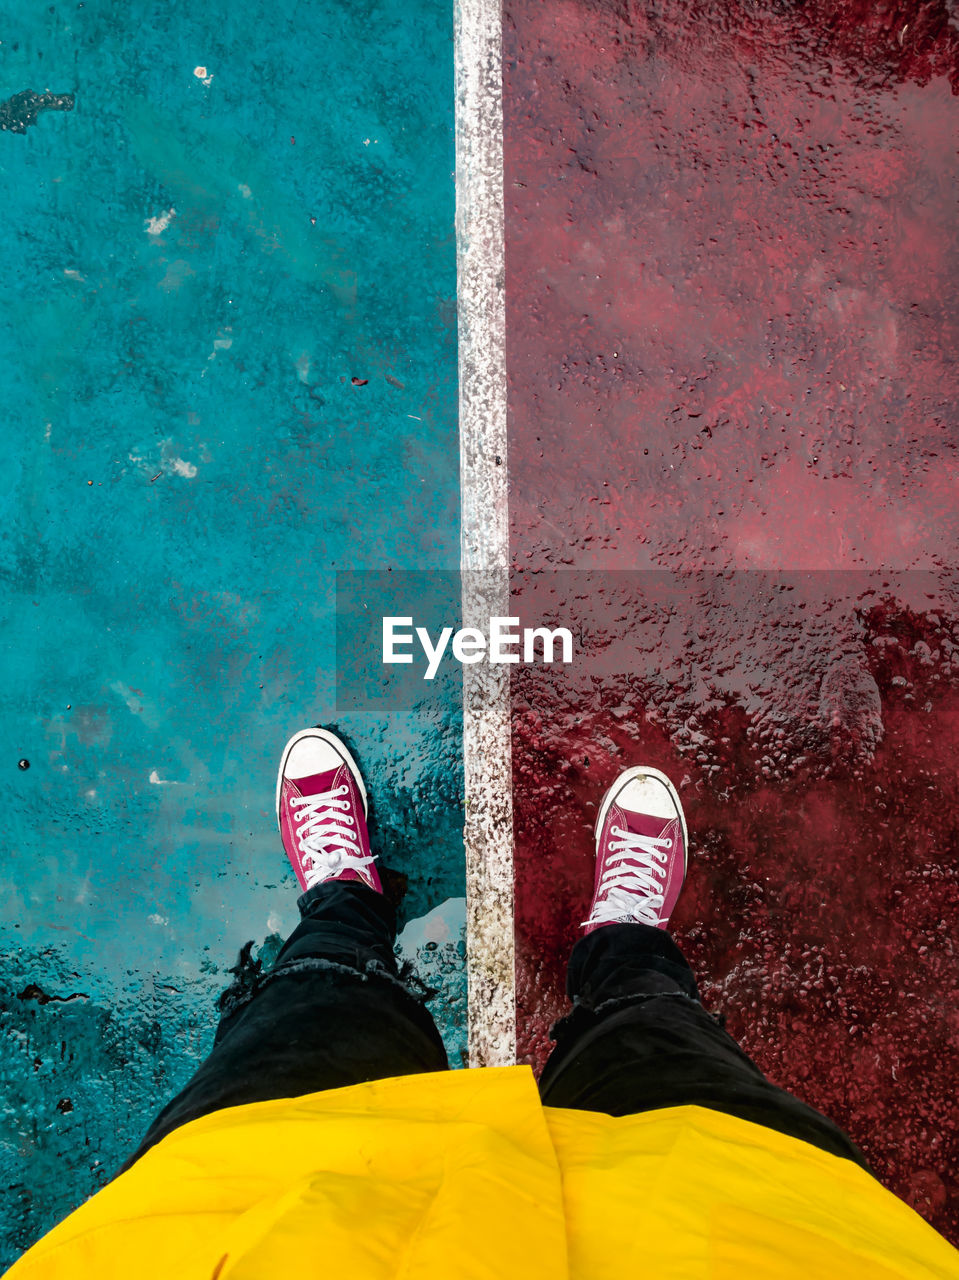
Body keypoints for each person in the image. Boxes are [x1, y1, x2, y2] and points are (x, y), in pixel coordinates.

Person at [8, 726, 958, 1278]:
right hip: (717, 1239)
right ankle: (622, 948)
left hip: (256, 1230)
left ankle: (345, 907)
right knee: (663, 1051)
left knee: (309, 1022)